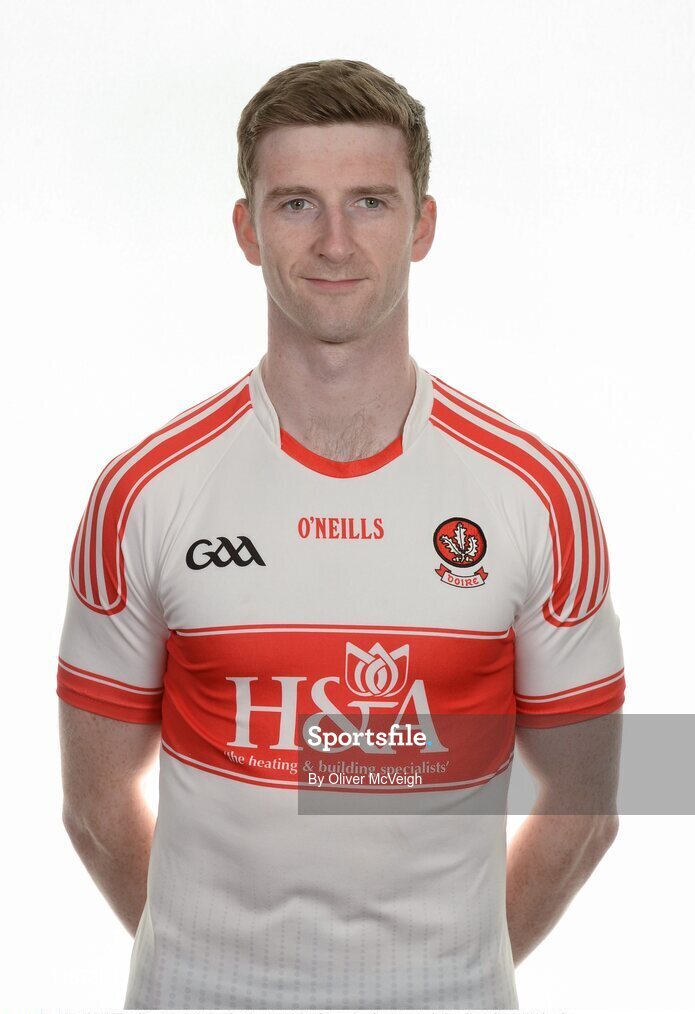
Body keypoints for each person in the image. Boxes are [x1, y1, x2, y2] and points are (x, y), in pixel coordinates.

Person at [57, 58, 625, 1011]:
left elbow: (588, 806)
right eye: (293, 205)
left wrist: (449, 977)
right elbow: (94, 803)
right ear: (245, 229)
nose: (332, 241)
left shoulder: (537, 496)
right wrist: (217, 973)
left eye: (368, 201)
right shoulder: (144, 493)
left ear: (422, 224)